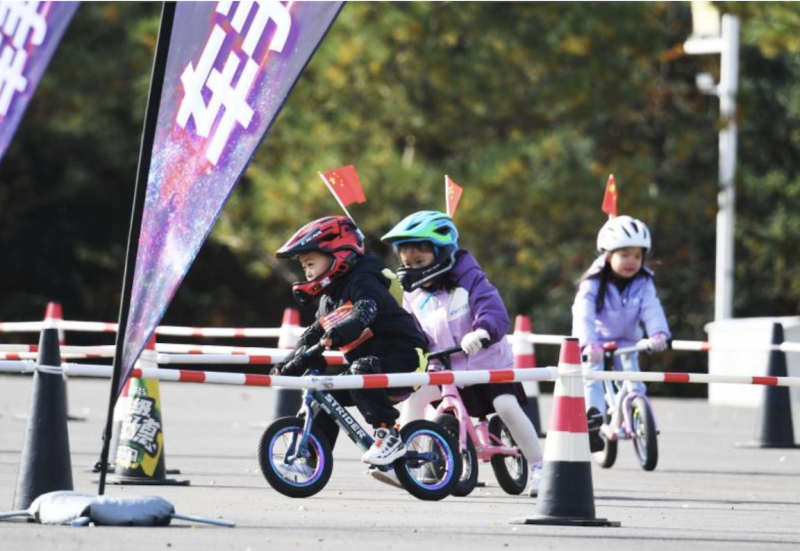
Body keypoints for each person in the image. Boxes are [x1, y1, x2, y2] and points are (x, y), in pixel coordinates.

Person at [380, 210, 544, 497]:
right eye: (407, 263)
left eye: (420, 261)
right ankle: (407, 462)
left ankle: (541, 467)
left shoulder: (470, 280)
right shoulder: (413, 294)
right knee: (414, 397)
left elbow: (492, 310)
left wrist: (481, 332)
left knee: (506, 406)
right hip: (444, 367)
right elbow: (411, 330)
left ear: (441, 254)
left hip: (487, 363)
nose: (412, 268)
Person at [271, 215, 428, 466]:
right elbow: (311, 335)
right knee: (325, 390)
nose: (308, 271)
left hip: (406, 358)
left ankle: (388, 437)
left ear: (338, 253)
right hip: (368, 371)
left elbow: (365, 310)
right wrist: (288, 363)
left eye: (311, 263)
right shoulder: (327, 301)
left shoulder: (363, 281)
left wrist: (342, 330)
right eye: (304, 267)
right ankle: (310, 458)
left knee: (361, 369)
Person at [572, 215, 671, 452]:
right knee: (592, 376)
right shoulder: (594, 281)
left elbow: (652, 307)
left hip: (628, 341)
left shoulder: (644, 281)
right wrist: (588, 344)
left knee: (634, 378)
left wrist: (658, 333)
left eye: (637, 256)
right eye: (624, 254)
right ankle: (592, 420)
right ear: (608, 255)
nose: (632, 261)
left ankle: (639, 412)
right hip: (598, 340)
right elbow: (582, 311)